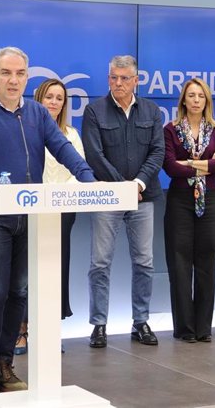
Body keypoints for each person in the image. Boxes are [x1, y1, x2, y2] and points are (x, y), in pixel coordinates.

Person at [0, 47, 95, 398]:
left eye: (20, 74)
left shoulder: (35, 113)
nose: (14, 80)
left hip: (30, 216)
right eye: (6, 73)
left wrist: (89, 179)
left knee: (19, 292)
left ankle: (5, 363)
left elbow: (62, 148)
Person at [82, 55, 164, 348]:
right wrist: (123, 188)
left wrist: (137, 184)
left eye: (124, 78)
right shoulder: (94, 111)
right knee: (100, 263)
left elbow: (158, 152)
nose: (118, 83)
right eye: (114, 78)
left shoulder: (152, 111)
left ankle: (140, 321)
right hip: (107, 196)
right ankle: (99, 325)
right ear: (108, 79)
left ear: (136, 81)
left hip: (145, 196)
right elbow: (94, 155)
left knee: (144, 262)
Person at [13, 78, 84, 355]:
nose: (54, 102)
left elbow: (79, 170)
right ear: (39, 100)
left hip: (62, 212)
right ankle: (20, 331)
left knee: (56, 271)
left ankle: (49, 332)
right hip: (31, 208)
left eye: (59, 98)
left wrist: (60, 197)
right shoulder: (24, 130)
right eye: (49, 97)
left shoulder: (71, 134)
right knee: (26, 272)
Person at [163, 78, 215, 343]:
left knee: (206, 261)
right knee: (179, 263)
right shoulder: (171, 129)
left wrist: (188, 162)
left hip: (211, 199)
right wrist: (203, 164)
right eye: (191, 95)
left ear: (207, 101)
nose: (196, 100)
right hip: (179, 199)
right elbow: (169, 166)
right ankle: (185, 329)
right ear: (183, 100)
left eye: (200, 96)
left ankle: (203, 328)